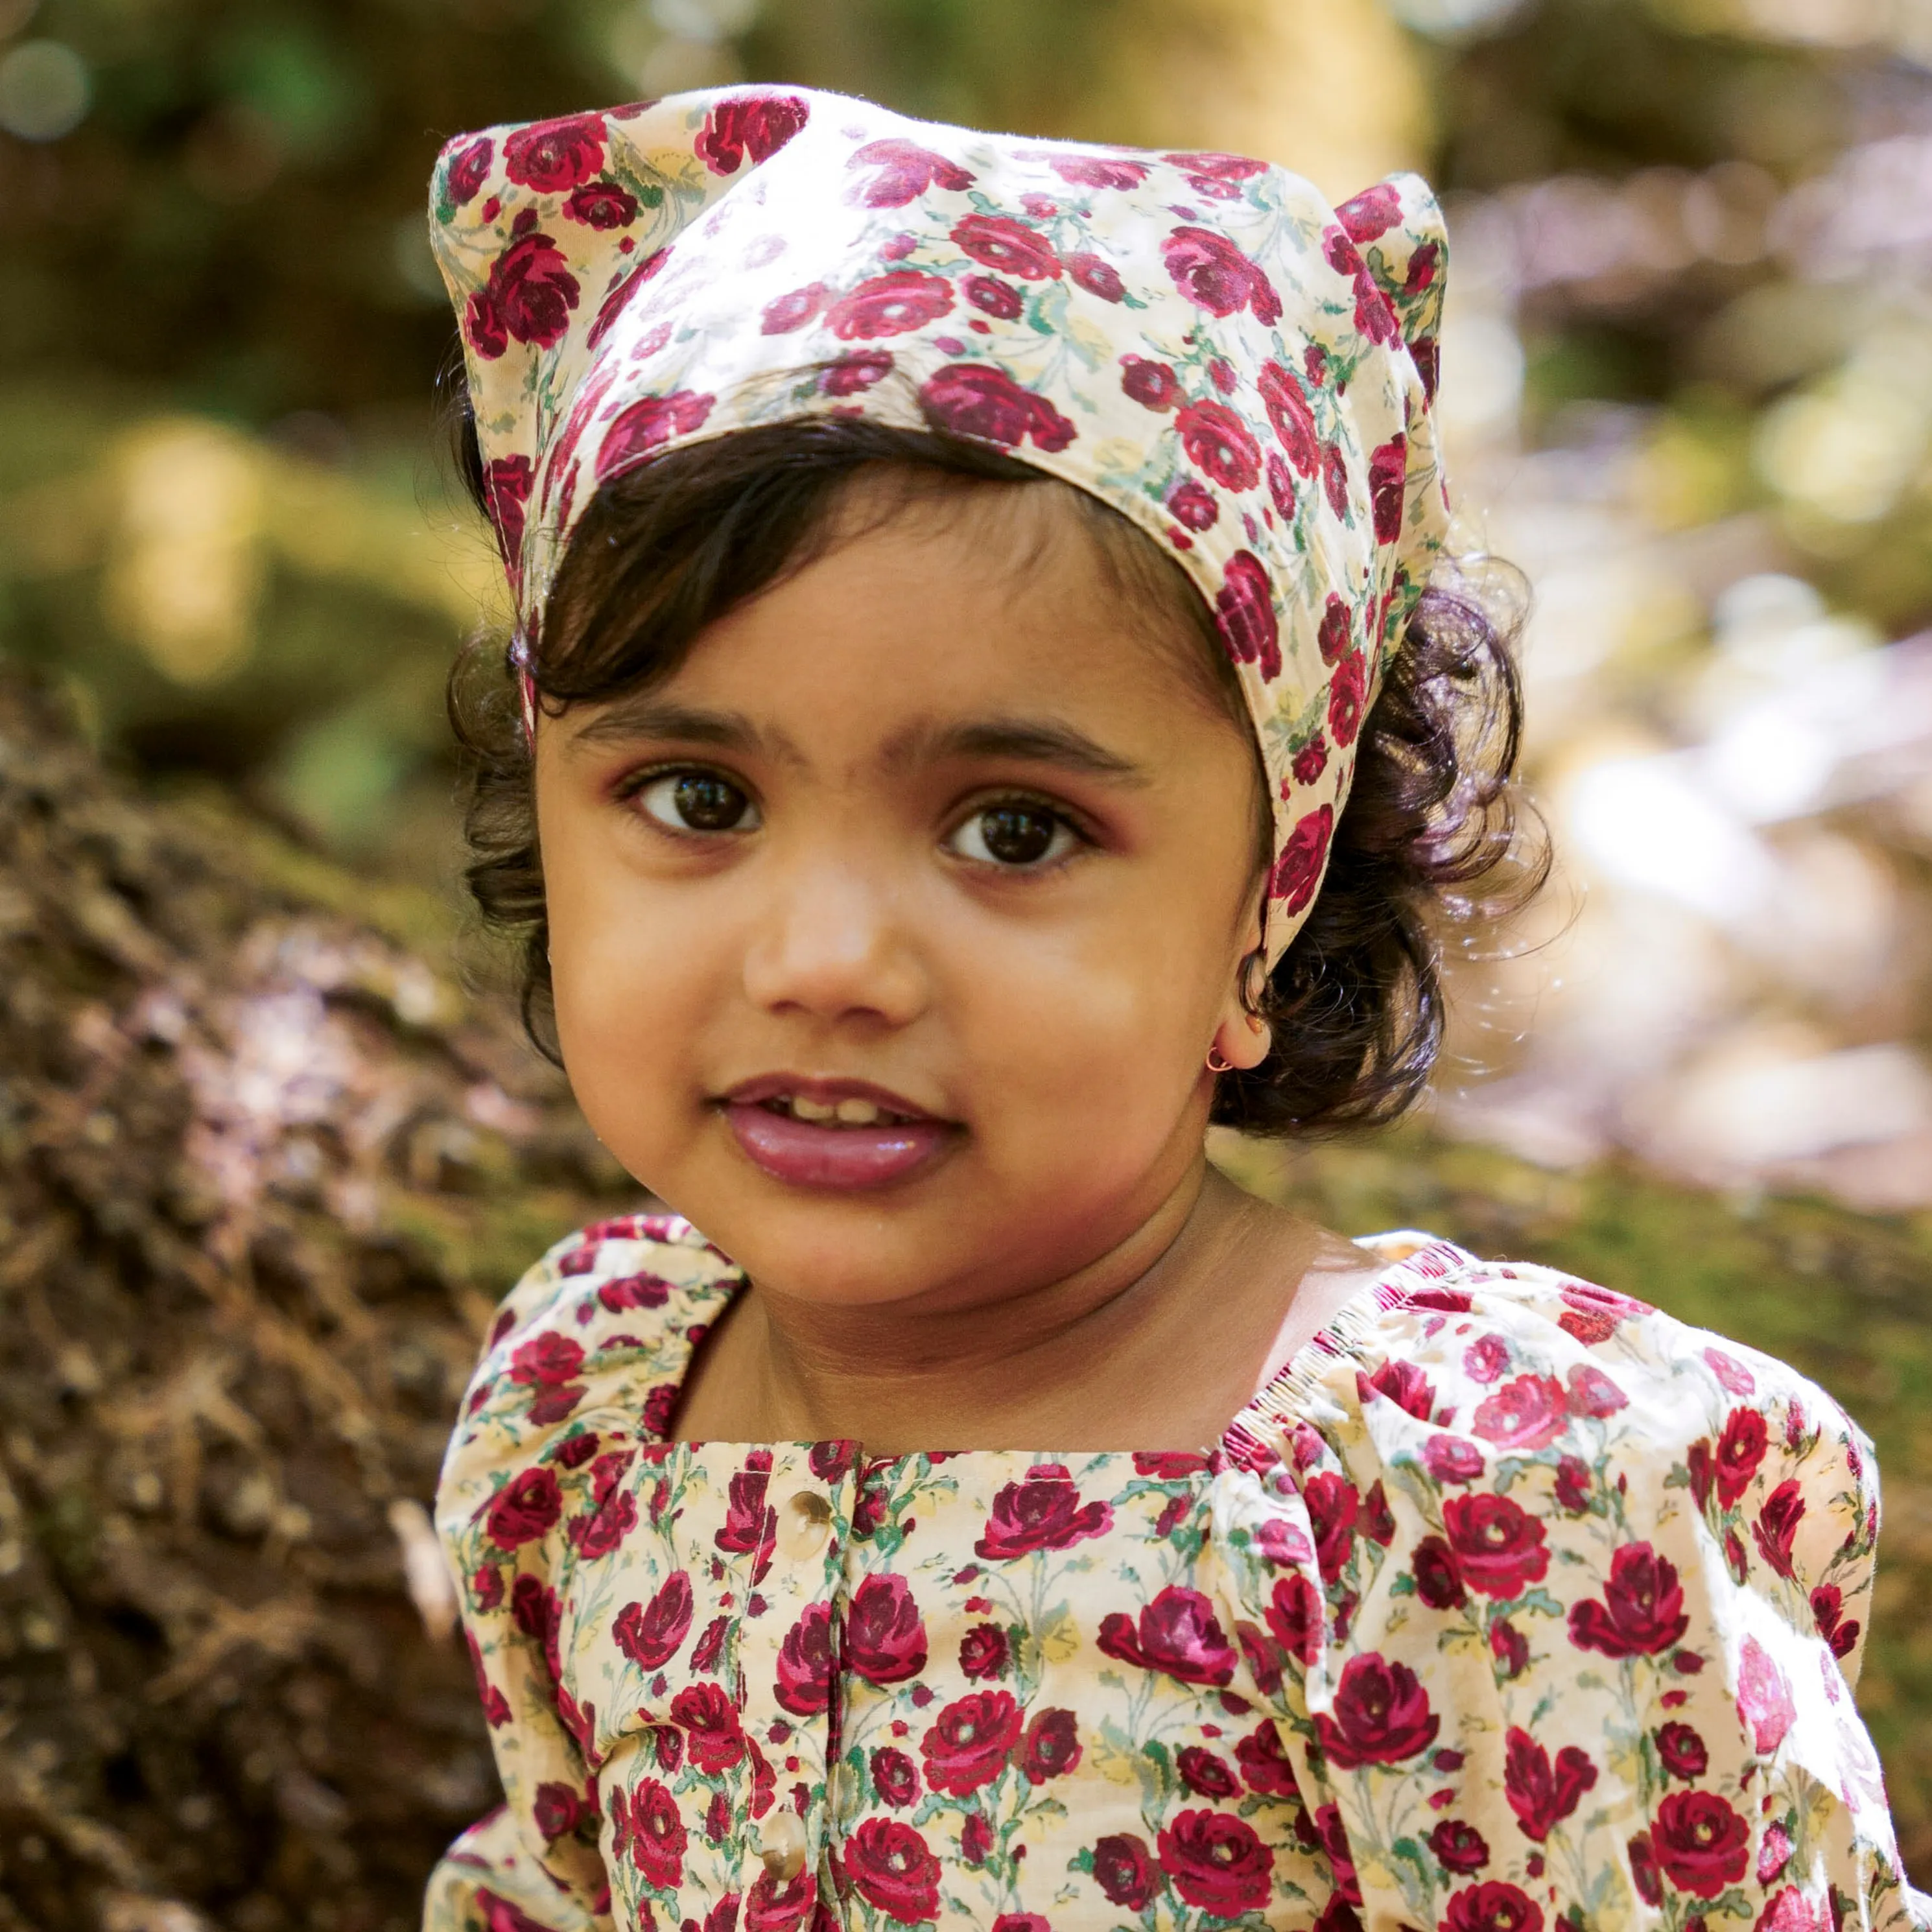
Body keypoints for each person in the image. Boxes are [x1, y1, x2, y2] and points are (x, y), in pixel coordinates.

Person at [419, 86, 1927, 1932]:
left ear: (1261, 906)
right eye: (697, 798)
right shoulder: (590, 1411)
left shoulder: (1453, 1512)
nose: (820, 958)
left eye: (1013, 827)